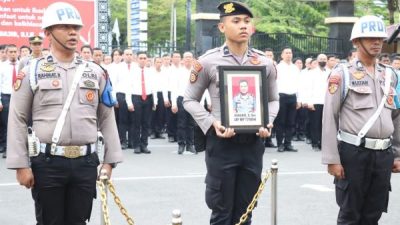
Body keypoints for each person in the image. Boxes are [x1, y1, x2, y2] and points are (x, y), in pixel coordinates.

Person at [6, 2, 123, 224]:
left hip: (86, 162)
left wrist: (110, 161)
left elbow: (107, 119)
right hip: (48, 162)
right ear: (48, 32)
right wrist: (21, 165)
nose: (73, 32)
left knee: (79, 221)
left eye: (76, 27)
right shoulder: (32, 71)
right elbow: (17, 118)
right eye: (65, 27)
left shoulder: (96, 72)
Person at [183, 2, 279, 224]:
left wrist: (269, 121)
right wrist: (211, 122)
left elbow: (274, 100)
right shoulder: (207, 61)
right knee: (221, 212)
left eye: (247, 21)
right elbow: (189, 99)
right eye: (236, 21)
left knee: (246, 211)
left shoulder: (265, 63)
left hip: (254, 143)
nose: (243, 26)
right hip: (222, 144)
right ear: (222, 27)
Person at [322, 15, 400, 225]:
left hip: (383, 154)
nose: (377, 43)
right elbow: (330, 117)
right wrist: (332, 159)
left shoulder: (391, 75)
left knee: (373, 214)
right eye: (370, 38)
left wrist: (397, 153)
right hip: (353, 153)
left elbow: (397, 116)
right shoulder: (342, 74)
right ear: (356, 42)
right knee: (350, 215)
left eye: (380, 38)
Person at [0, 44, 19, 159]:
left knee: (19, 124)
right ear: (6, 53)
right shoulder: (1, 66)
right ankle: (7, 148)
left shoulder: (22, 65)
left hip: (20, 97)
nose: (13, 54)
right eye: (10, 52)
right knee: (7, 124)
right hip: (6, 97)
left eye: (14, 51)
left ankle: (19, 149)